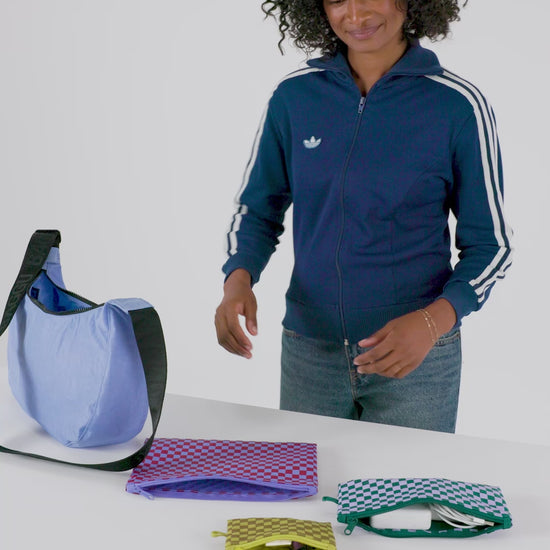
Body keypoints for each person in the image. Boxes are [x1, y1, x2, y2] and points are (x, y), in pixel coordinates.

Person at [215, 0, 512, 433]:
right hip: (309, 350)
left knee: (407, 480)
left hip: (416, 359)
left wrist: (432, 322)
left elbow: (491, 246)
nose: (354, 15)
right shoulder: (295, 96)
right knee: (310, 477)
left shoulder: (457, 105)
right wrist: (237, 280)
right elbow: (257, 208)